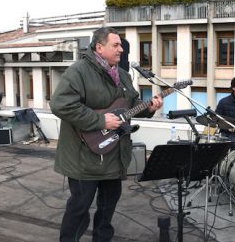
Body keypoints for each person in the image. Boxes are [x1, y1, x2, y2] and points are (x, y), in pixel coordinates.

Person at [50, 27, 163, 242]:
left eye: (121, 45)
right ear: (99, 47)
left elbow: (130, 105)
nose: (121, 49)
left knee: (107, 210)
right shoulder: (78, 71)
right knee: (79, 209)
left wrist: (149, 107)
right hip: (83, 158)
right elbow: (60, 105)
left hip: (114, 155)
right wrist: (100, 120)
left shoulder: (122, 74)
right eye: (116, 45)